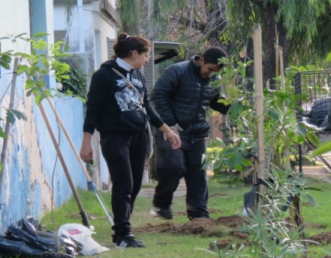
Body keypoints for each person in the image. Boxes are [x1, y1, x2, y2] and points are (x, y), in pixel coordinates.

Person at [80, 33, 181, 247]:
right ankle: (121, 235)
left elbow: (147, 107)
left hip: (139, 135)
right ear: (133, 53)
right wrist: (86, 141)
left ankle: (124, 228)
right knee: (123, 183)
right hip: (114, 137)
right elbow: (93, 110)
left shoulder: (138, 76)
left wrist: (167, 131)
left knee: (134, 185)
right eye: (146, 55)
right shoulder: (104, 76)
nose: (147, 60)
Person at [151, 47, 230, 220]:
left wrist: (234, 107)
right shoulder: (177, 71)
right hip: (172, 130)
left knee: (198, 174)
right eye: (209, 69)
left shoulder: (214, 78)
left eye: (215, 72)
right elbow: (158, 95)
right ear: (201, 60)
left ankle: (198, 215)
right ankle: (162, 203)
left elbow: (215, 102)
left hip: (198, 133)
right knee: (173, 167)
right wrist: (171, 124)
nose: (210, 74)